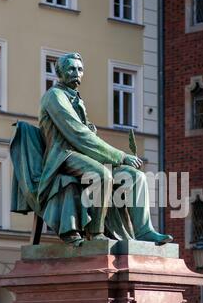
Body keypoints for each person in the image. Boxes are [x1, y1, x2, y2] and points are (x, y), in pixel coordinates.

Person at [38, 52, 172, 246]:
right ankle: (96, 233)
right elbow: (77, 135)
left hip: (81, 155)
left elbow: (85, 134)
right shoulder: (54, 96)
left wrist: (91, 131)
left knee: (136, 177)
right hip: (62, 157)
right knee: (101, 174)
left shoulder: (75, 98)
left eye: (80, 69)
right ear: (59, 72)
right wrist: (121, 156)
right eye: (71, 69)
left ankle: (144, 231)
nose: (77, 73)